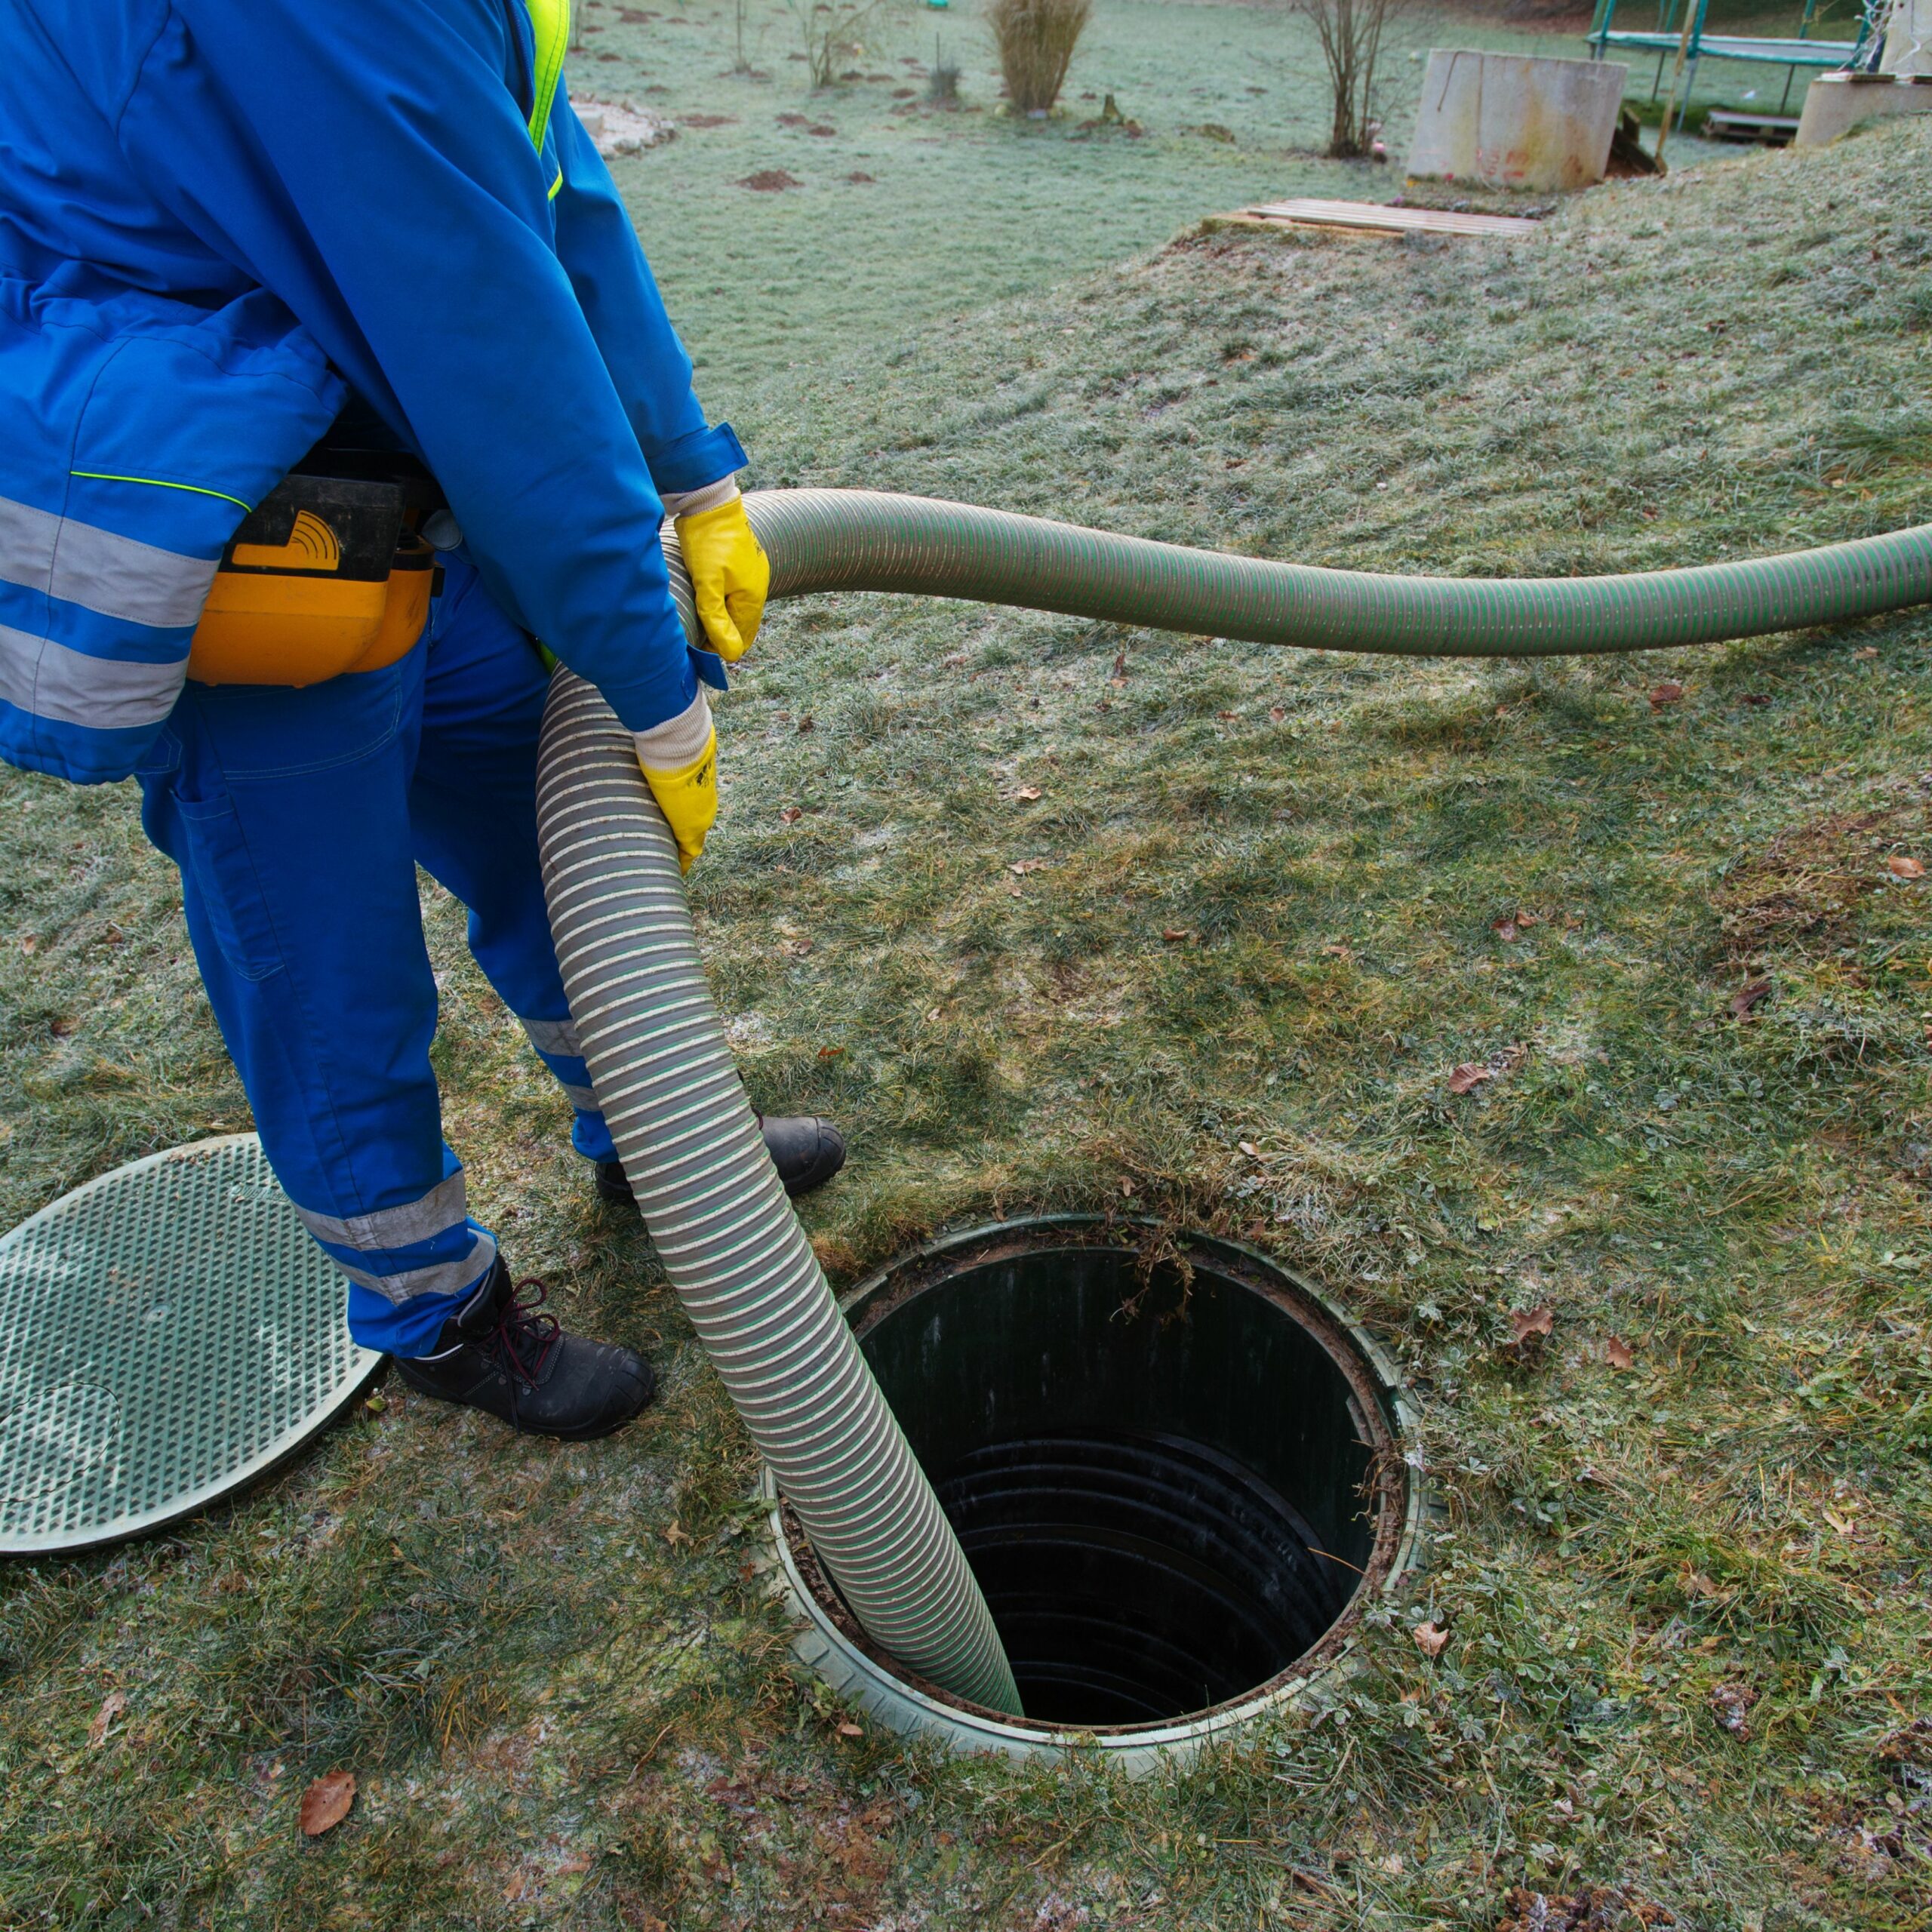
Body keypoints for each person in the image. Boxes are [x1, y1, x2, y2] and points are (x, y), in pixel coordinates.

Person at [0, 0, 844, 1441]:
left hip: (397, 488)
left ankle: (654, 1133)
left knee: (546, 848)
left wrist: (693, 471)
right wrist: (652, 689)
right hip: (242, 541)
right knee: (333, 972)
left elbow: (544, 184)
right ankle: (434, 1309)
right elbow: (483, 336)